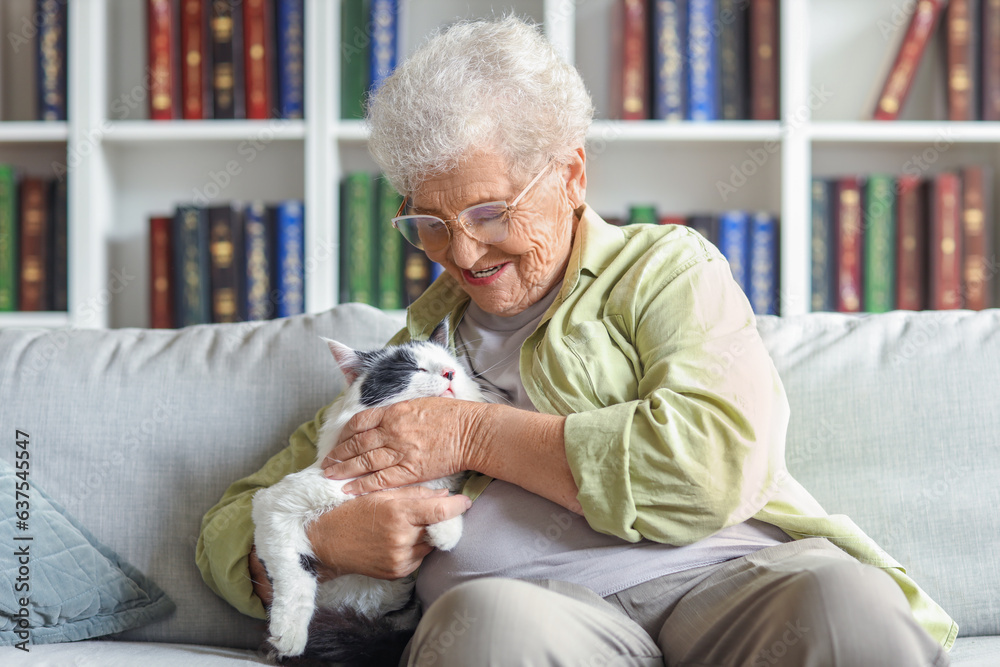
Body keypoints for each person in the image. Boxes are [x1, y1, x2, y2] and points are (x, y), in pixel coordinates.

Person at [197, 16, 955, 666]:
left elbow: (711, 461)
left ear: (571, 176)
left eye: (489, 212)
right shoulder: (414, 350)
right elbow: (230, 522)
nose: (462, 254)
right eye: (430, 223)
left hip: (729, 579)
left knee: (845, 600)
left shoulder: (664, 270)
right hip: (537, 617)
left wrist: (470, 431)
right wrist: (326, 542)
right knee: (488, 627)